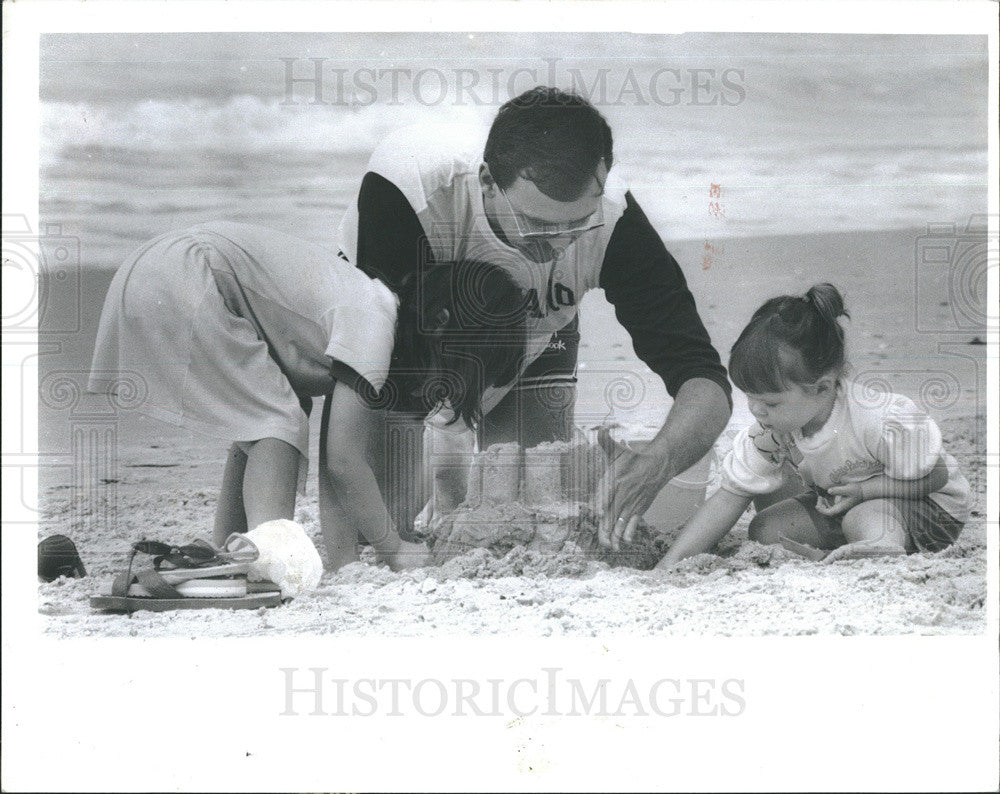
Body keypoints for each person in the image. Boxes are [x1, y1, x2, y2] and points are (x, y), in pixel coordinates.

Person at [336, 86, 732, 550]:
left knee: (531, 504)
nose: (556, 242)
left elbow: (704, 379)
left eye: (575, 223)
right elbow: (373, 368)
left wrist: (657, 462)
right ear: (487, 181)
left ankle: (452, 497)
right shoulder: (417, 191)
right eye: (536, 224)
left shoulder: (615, 224)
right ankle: (438, 488)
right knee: (379, 531)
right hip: (411, 341)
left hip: (536, 333)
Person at [88, 221, 527, 571]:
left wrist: (344, 560)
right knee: (276, 421)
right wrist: (392, 548)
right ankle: (267, 556)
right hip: (187, 275)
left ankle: (228, 547)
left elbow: (338, 457)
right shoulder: (374, 320)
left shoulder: (364, 312)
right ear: (442, 323)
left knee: (271, 414)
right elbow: (344, 462)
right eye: (457, 373)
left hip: (158, 267)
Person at [657, 283, 971, 568]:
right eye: (751, 399)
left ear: (822, 388)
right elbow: (730, 495)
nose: (757, 412)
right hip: (850, 502)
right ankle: (856, 543)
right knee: (766, 529)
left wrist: (865, 491)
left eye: (771, 403)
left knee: (864, 515)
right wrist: (669, 564)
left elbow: (937, 475)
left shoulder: (876, 418)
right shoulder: (774, 429)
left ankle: (879, 546)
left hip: (929, 508)